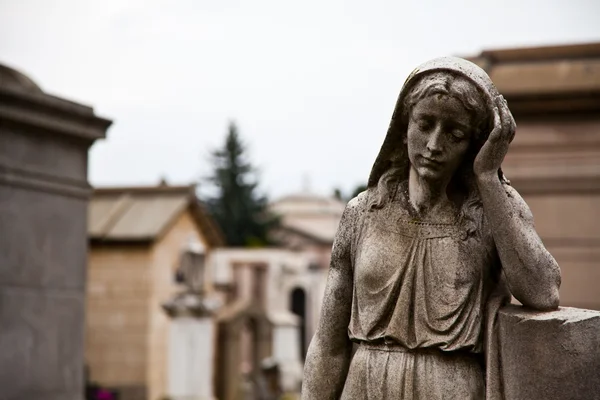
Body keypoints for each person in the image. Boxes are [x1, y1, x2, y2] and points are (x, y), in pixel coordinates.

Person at [301, 57, 561, 399]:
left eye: (455, 134)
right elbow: (329, 344)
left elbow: (543, 292)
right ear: (404, 125)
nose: (434, 145)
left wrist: (487, 178)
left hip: (449, 387)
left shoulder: (491, 212)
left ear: (475, 143)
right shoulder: (362, 213)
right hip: (365, 383)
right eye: (425, 124)